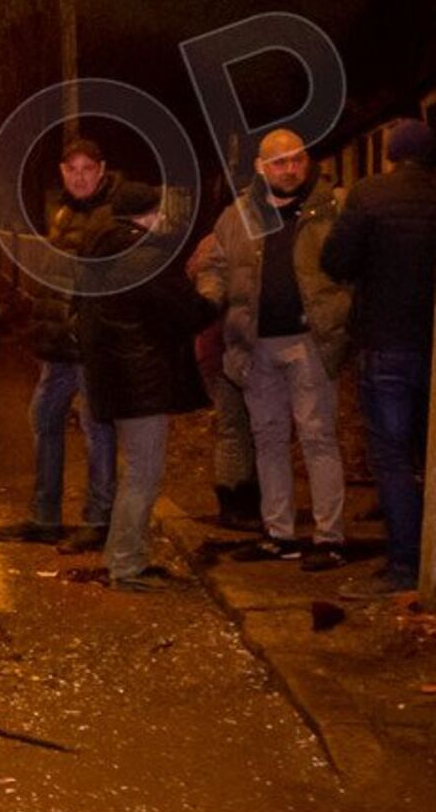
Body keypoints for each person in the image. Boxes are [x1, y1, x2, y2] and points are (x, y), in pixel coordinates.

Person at [194, 128, 350, 571]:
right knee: (268, 439)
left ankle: (330, 537)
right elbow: (216, 265)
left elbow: (354, 266)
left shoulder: (330, 208)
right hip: (255, 345)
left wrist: (346, 315)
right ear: (262, 168)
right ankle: (279, 533)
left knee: (318, 436)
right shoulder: (239, 215)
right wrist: (208, 298)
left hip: (311, 343)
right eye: (279, 162)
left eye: (297, 159)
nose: (290, 169)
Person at [74, 183, 217, 591]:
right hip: (142, 379)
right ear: (148, 214)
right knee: (143, 473)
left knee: (134, 470)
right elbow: (188, 312)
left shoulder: (97, 252)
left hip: (111, 377)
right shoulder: (145, 256)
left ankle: (122, 556)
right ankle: (126, 566)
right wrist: (210, 292)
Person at [321, 119, 436, 600]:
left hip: (386, 342)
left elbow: (336, 261)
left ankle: (405, 564)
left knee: (389, 456)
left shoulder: (368, 195)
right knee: (424, 455)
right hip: (432, 344)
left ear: (390, 155)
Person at [0, 139, 119, 552]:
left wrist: (92, 327)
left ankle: (98, 519)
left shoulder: (110, 215)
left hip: (89, 340)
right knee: (44, 416)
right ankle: (45, 516)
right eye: (72, 169)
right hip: (60, 343)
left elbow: (112, 281)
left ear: (101, 170)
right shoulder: (64, 212)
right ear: (63, 173)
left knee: (95, 428)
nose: (80, 176)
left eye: (87, 168)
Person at [185, 232, 262, 532]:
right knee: (236, 428)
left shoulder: (210, 243)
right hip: (224, 349)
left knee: (237, 428)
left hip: (216, 348)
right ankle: (237, 501)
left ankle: (240, 498)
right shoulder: (234, 245)